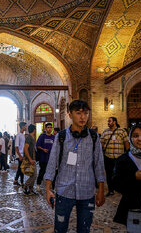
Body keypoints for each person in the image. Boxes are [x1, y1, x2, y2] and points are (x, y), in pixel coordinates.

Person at [44, 100, 106, 233]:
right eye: (78, 113)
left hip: (87, 191)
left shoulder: (94, 137)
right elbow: (52, 163)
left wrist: (101, 190)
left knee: (84, 229)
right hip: (64, 191)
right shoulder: (61, 137)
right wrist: (48, 189)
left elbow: (99, 165)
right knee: (60, 229)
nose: (83, 117)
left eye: (86, 113)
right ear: (70, 115)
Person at [101, 117, 129, 196]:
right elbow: (101, 144)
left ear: (115, 122)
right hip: (108, 157)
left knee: (120, 174)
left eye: (109, 121)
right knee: (109, 174)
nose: (108, 123)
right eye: (107, 121)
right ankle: (111, 190)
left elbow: (126, 143)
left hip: (119, 157)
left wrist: (127, 154)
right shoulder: (105, 132)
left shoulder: (122, 131)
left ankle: (121, 188)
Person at [36, 122, 55, 191]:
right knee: (42, 171)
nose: (49, 129)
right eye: (48, 127)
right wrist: (43, 149)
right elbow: (37, 145)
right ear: (45, 128)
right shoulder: (42, 136)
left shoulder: (54, 137)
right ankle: (38, 184)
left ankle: (52, 187)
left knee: (52, 172)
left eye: (50, 128)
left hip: (51, 158)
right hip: (43, 158)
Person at [23, 124, 37, 195]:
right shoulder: (29, 138)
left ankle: (31, 189)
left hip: (33, 159)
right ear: (34, 130)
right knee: (34, 175)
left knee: (33, 175)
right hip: (31, 159)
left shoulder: (32, 137)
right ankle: (25, 186)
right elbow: (25, 148)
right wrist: (30, 159)